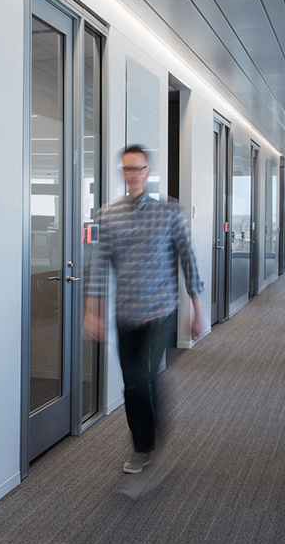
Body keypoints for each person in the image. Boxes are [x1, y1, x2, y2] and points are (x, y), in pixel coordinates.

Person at [84, 144, 206, 474]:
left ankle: (144, 446)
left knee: (146, 377)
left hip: (160, 311)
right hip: (125, 314)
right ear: (122, 173)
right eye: (127, 169)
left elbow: (188, 260)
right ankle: (147, 440)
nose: (132, 175)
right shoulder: (108, 216)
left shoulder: (169, 213)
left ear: (148, 173)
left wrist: (198, 309)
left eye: (138, 169)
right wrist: (92, 311)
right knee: (133, 384)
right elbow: (98, 266)